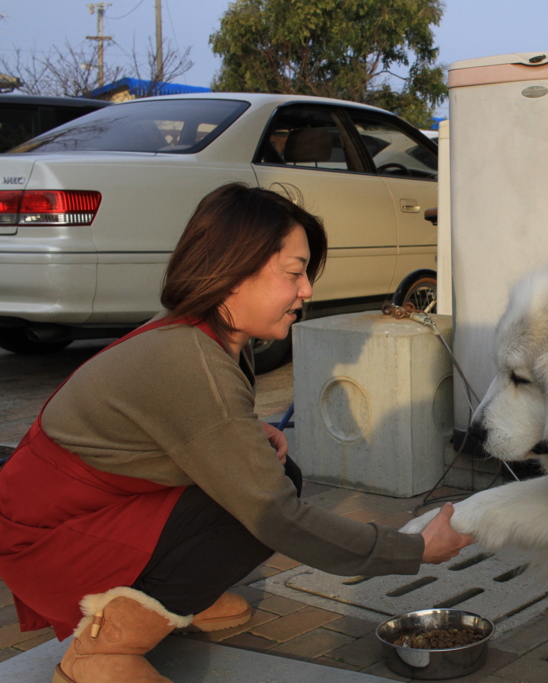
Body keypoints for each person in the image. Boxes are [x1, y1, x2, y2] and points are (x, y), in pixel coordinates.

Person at [0, 183, 474, 683]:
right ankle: (103, 650)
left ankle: (170, 602)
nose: (307, 290)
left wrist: (247, 432)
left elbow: (170, 431)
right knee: (259, 507)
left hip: (77, 517)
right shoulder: (191, 362)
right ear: (232, 272)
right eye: (294, 272)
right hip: (45, 543)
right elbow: (280, 519)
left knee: (275, 474)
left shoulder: (203, 333)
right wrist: (412, 549)